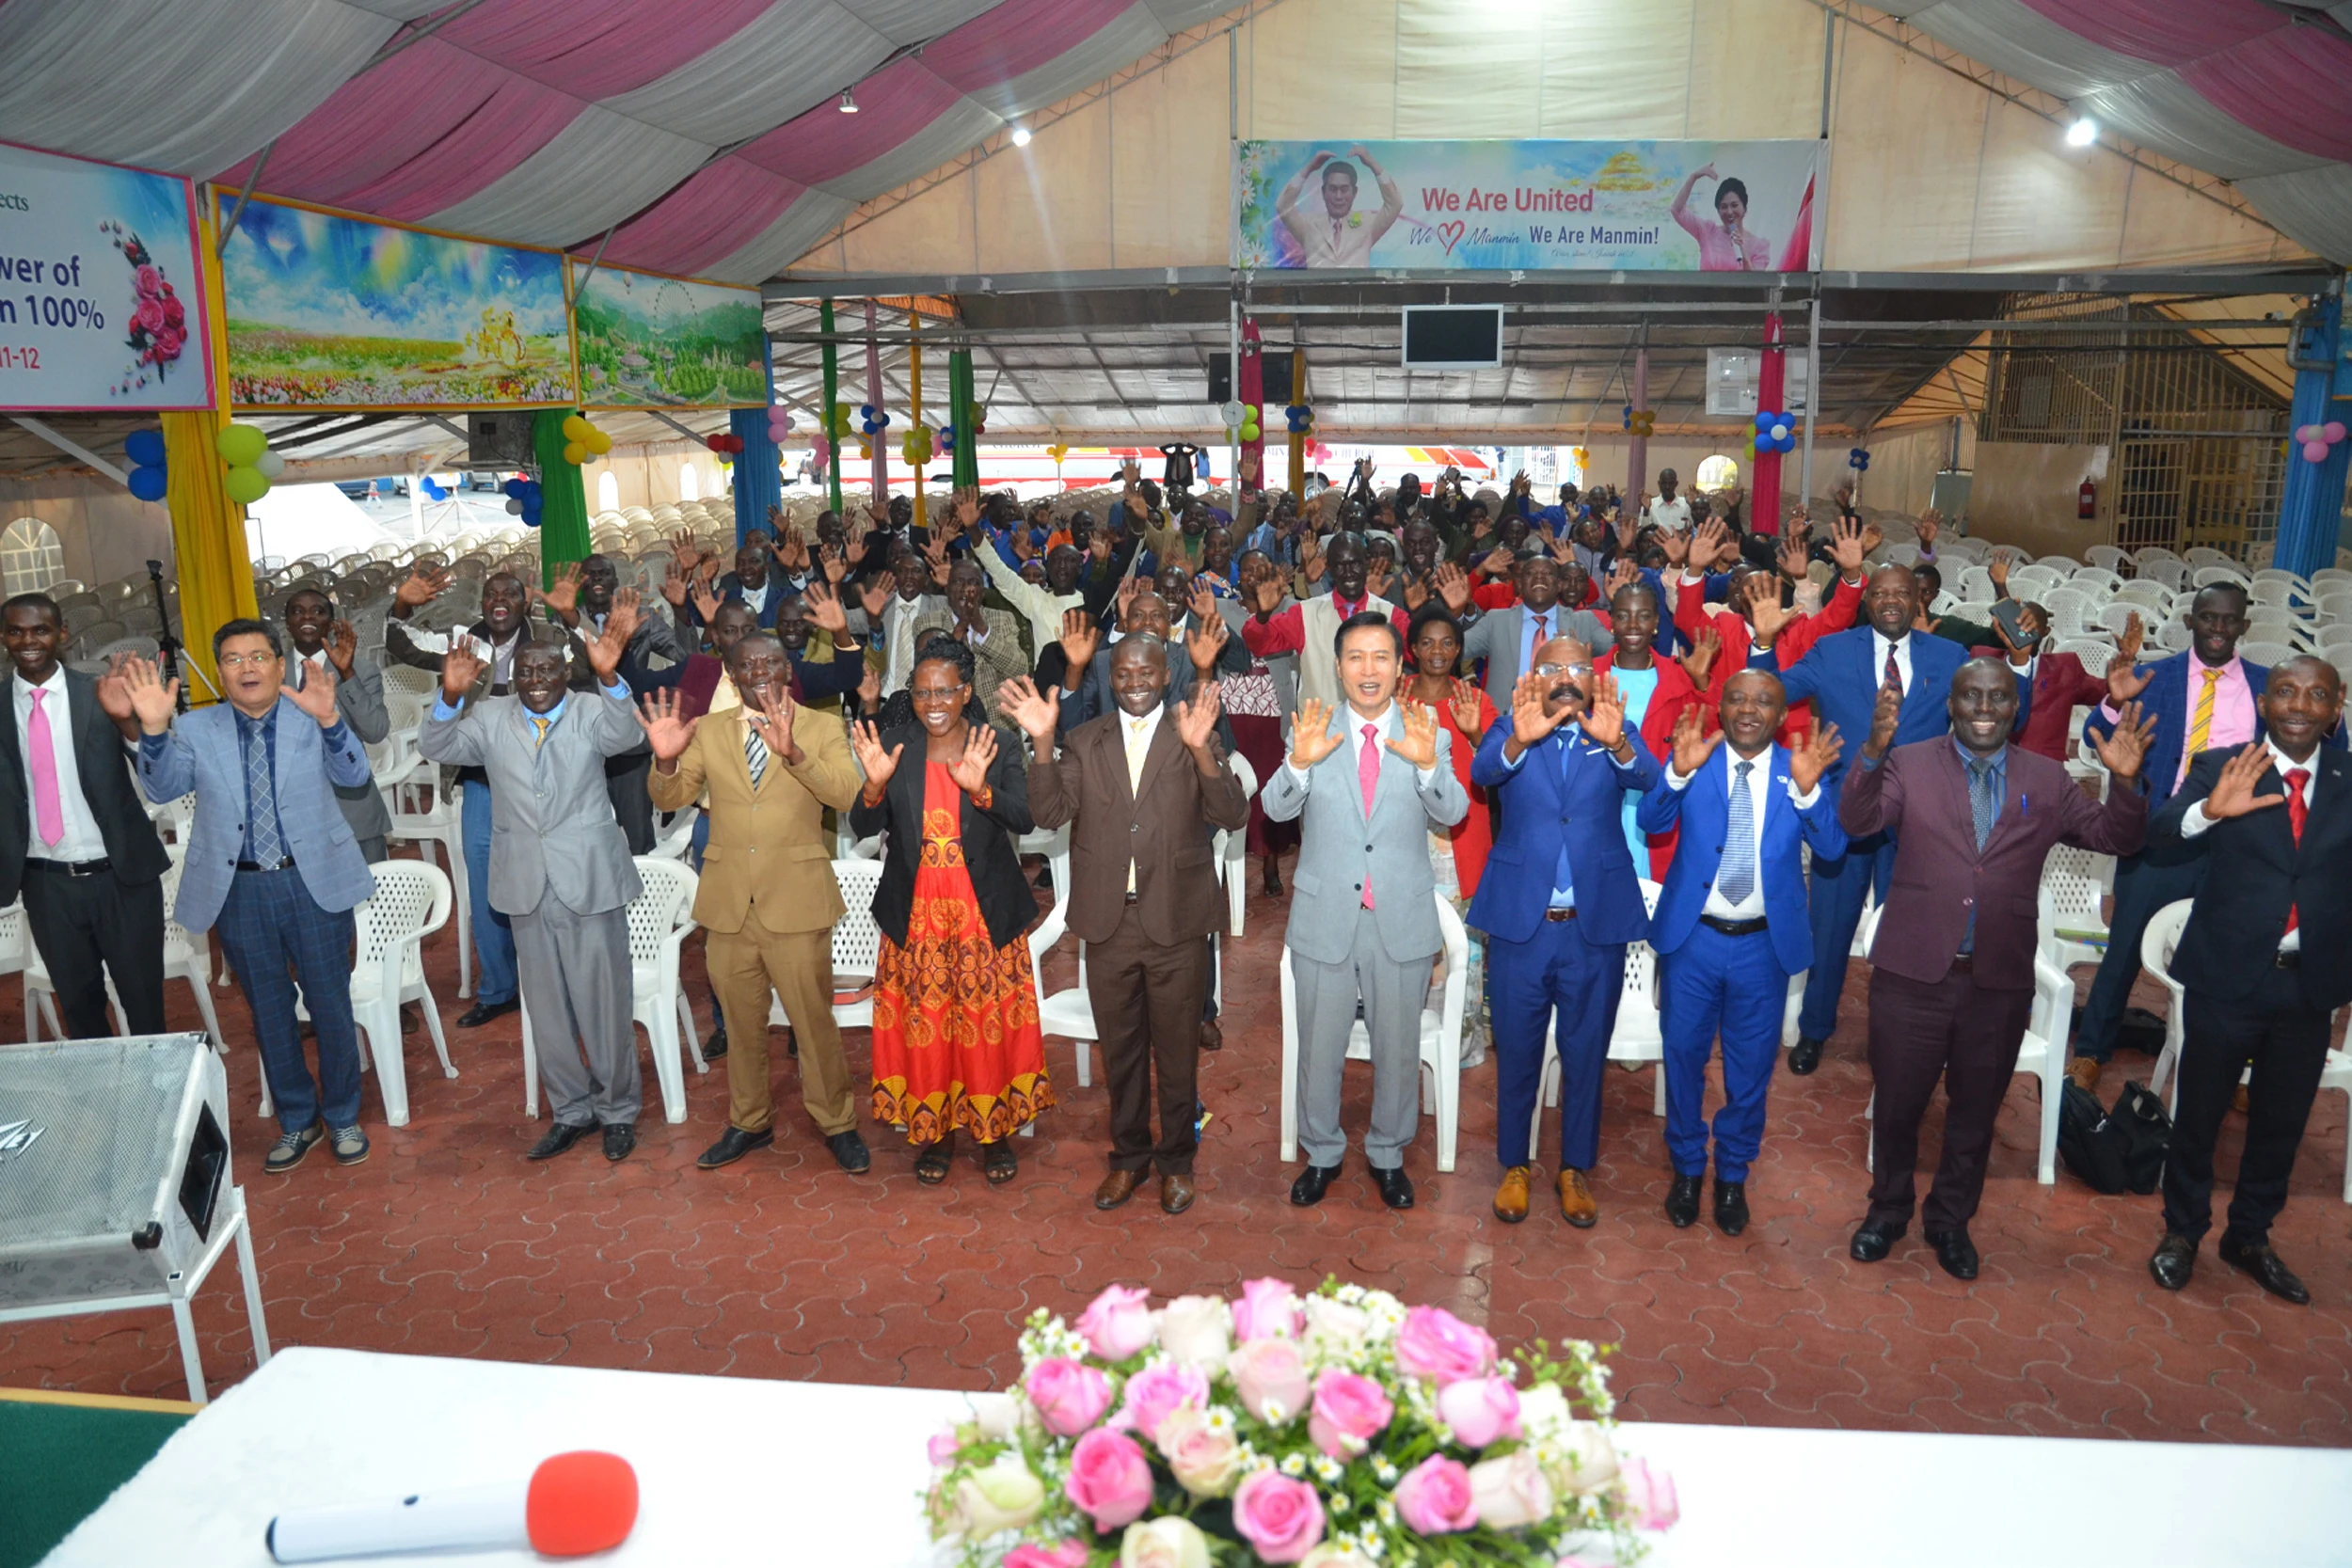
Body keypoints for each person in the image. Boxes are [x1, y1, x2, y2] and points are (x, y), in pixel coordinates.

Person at [1841, 660, 2153, 1279]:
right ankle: (1888, 1209)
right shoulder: (1909, 763)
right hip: (1912, 974)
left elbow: (2116, 838)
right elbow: (1857, 820)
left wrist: (2123, 783)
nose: (1984, 707)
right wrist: (1872, 751)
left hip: (1999, 980)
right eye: (1971, 695)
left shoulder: (2046, 777)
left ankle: (1950, 1221)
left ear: (2017, 708)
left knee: (1976, 1113)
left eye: (1998, 697)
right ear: (1952, 704)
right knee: (1898, 1106)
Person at [1006, 648, 1247, 1214]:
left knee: (1178, 1051)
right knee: (1121, 1051)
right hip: (1109, 923)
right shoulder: (1085, 739)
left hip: (1177, 919)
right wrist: (1043, 742)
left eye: (1146, 673)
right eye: (1123, 674)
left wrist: (1202, 753)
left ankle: (1177, 1162)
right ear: (1109, 679)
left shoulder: (1193, 731)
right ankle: (1131, 1157)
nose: (1135, 683)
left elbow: (1233, 814)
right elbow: (1049, 813)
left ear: (1166, 675)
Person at [126, 628, 375, 1171]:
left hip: (312, 882)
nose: (247, 667)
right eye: (233, 659)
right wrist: (153, 729)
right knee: (268, 1010)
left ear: (280, 666)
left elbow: (356, 775)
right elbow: (162, 788)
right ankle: (298, 1120)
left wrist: (330, 721)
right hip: (239, 889)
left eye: (259, 656)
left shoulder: (311, 713)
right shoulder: (196, 727)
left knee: (330, 1005)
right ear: (219, 672)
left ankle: (342, 1115)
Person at [2147, 658, 2350, 1306]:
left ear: (2337, 706)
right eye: (2286, 691)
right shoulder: (2222, 766)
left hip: (2308, 985)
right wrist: (2207, 812)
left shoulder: (2348, 779)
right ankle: (2183, 1230)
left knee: (2281, 1123)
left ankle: (2250, 1236)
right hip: (2226, 978)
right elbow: (2159, 834)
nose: (2300, 705)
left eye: (2316, 694)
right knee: (2200, 1114)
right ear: (2264, 702)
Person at [1767, 560, 2021, 1074]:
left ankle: (1896, 1033)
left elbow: (2000, 713)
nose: (1889, 601)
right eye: (1880, 593)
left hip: (1917, 821)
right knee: (1829, 929)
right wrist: (1761, 642)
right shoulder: (1832, 650)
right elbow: (1773, 692)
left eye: (1901, 593)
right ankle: (1815, 1029)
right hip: (1845, 817)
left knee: (1905, 936)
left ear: (1917, 600)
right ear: (1867, 601)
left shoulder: (1948, 656)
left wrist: (2021, 659)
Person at [420, 605, 648, 1163]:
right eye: (525, 672)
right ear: (512, 677)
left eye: (547, 670)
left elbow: (625, 736)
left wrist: (610, 676)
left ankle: (618, 1110)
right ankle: (571, 1110)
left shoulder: (591, 708)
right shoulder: (489, 717)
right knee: (545, 1009)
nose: (537, 681)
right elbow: (436, 747)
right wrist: (450, 696)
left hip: (589, 878)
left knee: (603, 1003)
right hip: (524, 879)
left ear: (567, 672)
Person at [643, 635, 871, 1176]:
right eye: (748, 664)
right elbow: (670, 798)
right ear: (732, 673)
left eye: (771, 662)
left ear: (788, 669)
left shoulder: (820, 727)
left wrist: (794, 754)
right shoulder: (709, 729)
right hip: (728, 904)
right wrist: (666, 762)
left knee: (812, 1023)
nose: (761, 671)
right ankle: (749, 1120)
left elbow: (846, 795)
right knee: (741, 1026)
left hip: (796, 900)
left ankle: (837, 1122)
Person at [1265, 612, 1467, 1210]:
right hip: (1325, 915)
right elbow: (1275, 810)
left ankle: (1387, 1154)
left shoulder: (1427, 730)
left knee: (1399, 1049)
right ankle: (1322, 1152)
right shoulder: (1313, 728)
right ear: (1338, 667)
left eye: (1381, 657)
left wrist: (1428, 766)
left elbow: (1454, 811)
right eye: (1356, 657)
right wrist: (1298, 764)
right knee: (1318, 1047)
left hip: (1399, 916)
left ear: (1400, 666)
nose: (1369, 669)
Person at [1639, 678, 1845, 1234]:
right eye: (1738, 699)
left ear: (1780, 715)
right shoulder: (1697, 758)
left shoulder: (1798, 769)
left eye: (1763, 701)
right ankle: (1687, 1167)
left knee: (1751, 1070)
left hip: (1763, 947)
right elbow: (1651, 822)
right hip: (1693, 940)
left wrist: (1809, 793)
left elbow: (1832, 849)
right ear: (1721, 708)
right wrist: (1675, 774)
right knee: (1683, 1057)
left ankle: (1732, 1174)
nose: (1749, 709)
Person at [1468, 642, 1662, 1227]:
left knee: (1585, 1056)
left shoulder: (1613, 728)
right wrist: (1517, 741)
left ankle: (1575, 1168)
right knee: (1517, 1053)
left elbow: (1650, 778)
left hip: (1594, 929)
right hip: (1521, 928)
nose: (1566, 677)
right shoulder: (1512, 725)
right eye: (1553, 668)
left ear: (1594, 678)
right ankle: (1515, 1166)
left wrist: (1619, 744)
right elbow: (1482, 772)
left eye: (1578, 667)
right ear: (1535, 677)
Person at [850, 636, 1052, 1185]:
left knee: (987, 1027)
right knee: (929, 1026)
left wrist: (982, 791)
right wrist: (873, 787)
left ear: (965, 692)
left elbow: (1026, 817)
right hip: (917, 916)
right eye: (921, 693)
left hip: (982, 912)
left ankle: (994, 1134)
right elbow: (862, 826)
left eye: (944, 691)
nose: (932, 703)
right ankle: (935, 1134)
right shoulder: (895, 745)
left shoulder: (996, 742)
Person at [2070, 586, 2268, 1092]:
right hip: (2161, 834)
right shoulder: (2155, 677)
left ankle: (2235, 1070)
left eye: (2229, 620)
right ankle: (2091, 1051)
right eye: (2208, 617)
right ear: (2190, 621)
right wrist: (2115, 701)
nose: (2218, 628)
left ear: (2244, 627)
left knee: (2232, 961)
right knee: (2124, 951)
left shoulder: (2268, 688)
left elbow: (2314, 747)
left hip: (2236, 844)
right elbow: (2095, 736)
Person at [386, 564, 563, 1028]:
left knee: (547, 882)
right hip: (483, 783)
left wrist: (571, 616)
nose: (499, 601)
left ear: (525, 601)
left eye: (509, 594)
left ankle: (549, 983)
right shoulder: (463, 642)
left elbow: (590, 663)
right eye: (491, 594)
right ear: (482, 603)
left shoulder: (547, 638)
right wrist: (402, 604)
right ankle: (499, 989)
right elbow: (402, 644)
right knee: (485, 888)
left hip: (541, 783)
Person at [0, 595, 169, 1037]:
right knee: (80, 1013)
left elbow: (160, 775)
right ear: (3, 637)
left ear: (62, 633)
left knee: (145, 1007)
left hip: (122, 878)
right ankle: (104, 1085)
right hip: (46, 883)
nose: (28, 641)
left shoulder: (100, 693)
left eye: (40, 630)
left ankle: (159, 1085)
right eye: (16, 631)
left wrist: (129, 721)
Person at [536, 557, 675, 856]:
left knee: (638, 835)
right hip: (582, 740)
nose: (598, 578)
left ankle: (644, 882)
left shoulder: (642, 616)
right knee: (586, 835)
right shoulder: (559, 620)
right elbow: (567, 671)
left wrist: (683, 610)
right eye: (591, 574)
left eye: (605, 573)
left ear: (616, 581)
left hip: (630, 742)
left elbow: (681, 655)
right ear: (581, 583)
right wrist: (572, 618)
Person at [1593, 579, 1708, 877]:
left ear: (1656, 622)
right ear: (1611, 621)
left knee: (1653, 885)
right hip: (1600, 798)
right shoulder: (1590, 675)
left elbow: (1708, 735)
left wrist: (1702, 683)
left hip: (1660, 798)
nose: (1633, 625)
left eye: (1643, 616)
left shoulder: (1680, 676)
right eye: (1623, 615)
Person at [1240, 533, 1409, 710]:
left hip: (1375, 725)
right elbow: (1259, 644)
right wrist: (1263, 614)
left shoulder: (1392, 616)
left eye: (1355, 564)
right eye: (1340, 565)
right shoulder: (1305, 613)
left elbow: (1419, 654)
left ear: (1366, 563)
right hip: (1319, 725)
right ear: (1330, 569)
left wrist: (1419, 613)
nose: (1349, 572)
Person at [281, 589, 391, 861]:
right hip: (290, 816)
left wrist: (346, 673)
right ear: (287, 623)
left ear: (331, 623)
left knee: (369, 888)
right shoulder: (271, 673)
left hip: (352, 812)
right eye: (298, 611)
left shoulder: (361, 670)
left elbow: (376, 731)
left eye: (318, 611)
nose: (307, 617)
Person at [1404, 604, 1496, 900]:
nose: (1437, 651)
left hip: (1461, 828)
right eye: (1427, 643)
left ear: (1457, 650)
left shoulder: (1475, 701)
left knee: (1459, 921)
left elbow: (1497, 768)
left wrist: (1474, 733)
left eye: (1446, 643)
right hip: (1404, 826)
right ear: (1414, 649)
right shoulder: (1392, 697)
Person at [1459, 556, 1610, 704]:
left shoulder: (1583, 622)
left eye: (1547, 573)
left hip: (1564, 714)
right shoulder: (1496, 620)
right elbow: (1455, 649)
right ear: (1520, 583)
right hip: (1507, 716)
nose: (1539, 578)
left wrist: (1616, 602)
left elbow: (1618, 655)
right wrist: (1455, 612)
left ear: (1559, 585)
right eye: (1530, 573)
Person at [913, 560, 1026, 715]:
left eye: (973, 582)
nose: (965, 589)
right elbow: (928, 673)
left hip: (997, 720)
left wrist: (981, 627)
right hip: (946, 717)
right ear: (947, 589)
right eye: (958, 581)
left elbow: (1019, 670)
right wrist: (962, 625)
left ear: (983, 592)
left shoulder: (1003, 620)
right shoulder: (926, 623)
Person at [1278, 147, 1404, 268]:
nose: (1338, 196)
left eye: (1344, 189)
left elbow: (1395, 204)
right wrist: (1309, 168)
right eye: (1333, 189)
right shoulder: (1308, 225)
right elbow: (1283, 206)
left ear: (1354, 192)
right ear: (1323, 192)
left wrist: (1372, 163)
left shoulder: (1367, 223)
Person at [1670, 163, 1772, 272]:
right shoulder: (1708, 231)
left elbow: (1755, 281)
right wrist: (1694, 177)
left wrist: (1745, 257)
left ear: (1744, 208)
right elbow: (1677, 210)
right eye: (1724, 207)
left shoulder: (1759, 247)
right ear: (1718, 211)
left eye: (1734, 205)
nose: (1729, 212)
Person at [1644, 471, 1693, 536]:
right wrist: (1646, 511)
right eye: (1664, 483)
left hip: (1680, 542)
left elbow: (1694, 527)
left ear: (1676, 484)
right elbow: (1643, 530)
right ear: (1659, 484)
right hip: (1657, 542)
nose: (1667, 487)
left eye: (1671, 483)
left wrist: (1693, 506)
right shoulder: (1650, 504)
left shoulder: (1686, 504)